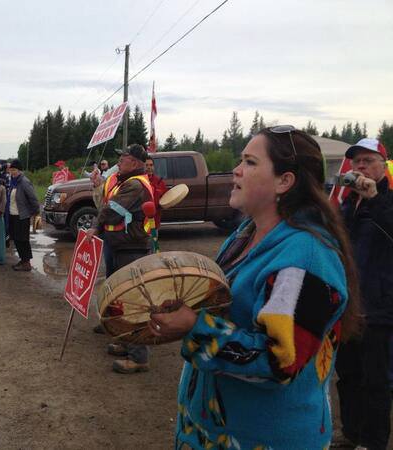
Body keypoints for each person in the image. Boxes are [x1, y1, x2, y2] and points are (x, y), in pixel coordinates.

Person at [148, 127, 360, 449]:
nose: (236, 169)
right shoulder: (247, 233)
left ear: (284, 181)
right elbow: (224, 306)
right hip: (211, 430)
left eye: (249, 162)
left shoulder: (306, 258)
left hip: (264, 438)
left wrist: (195, 327)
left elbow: (278, 363)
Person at [334, 138, 393, 450]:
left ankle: (372, 442)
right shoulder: (347, 204)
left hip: (380, 307)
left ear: (383, 166)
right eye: (356, 161)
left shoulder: (386, 202)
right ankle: (352, 434)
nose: (360, 167)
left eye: (368, 160)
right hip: (349, 306)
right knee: (348, 376)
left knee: (376, 381)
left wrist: (373, 200)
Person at [86, 144, 156, 373]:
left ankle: (139, 357)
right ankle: (127, 343)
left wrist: (96, 226)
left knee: (133, 301)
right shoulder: (123, 181)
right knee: (122, 299)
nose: (119, 162)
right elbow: (107, 204)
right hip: (122, 245)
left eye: (123, 158)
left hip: (131, 247)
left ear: (135, 162)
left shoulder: (134, 185)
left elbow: (112, 209)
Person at [7, 159, 39, 271]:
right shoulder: (12, 182)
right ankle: (23, 260)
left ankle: (26, 263)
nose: (13, 172)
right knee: (16, 239)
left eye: (15, 170)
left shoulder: (24, 182)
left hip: (22, 216)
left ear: (20, 170)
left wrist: (35, 212)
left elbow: (33, 198)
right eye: (11, 170)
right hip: (13, 215)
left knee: (23, 240)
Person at [145, 157, 168, 252]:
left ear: (154, 167)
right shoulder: (139, 181)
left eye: (151, 165)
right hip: (141, 224)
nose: (149, 167)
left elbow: (165, 200)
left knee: (154, 250)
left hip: (154, 223)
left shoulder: (160, 182)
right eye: (146, 165)